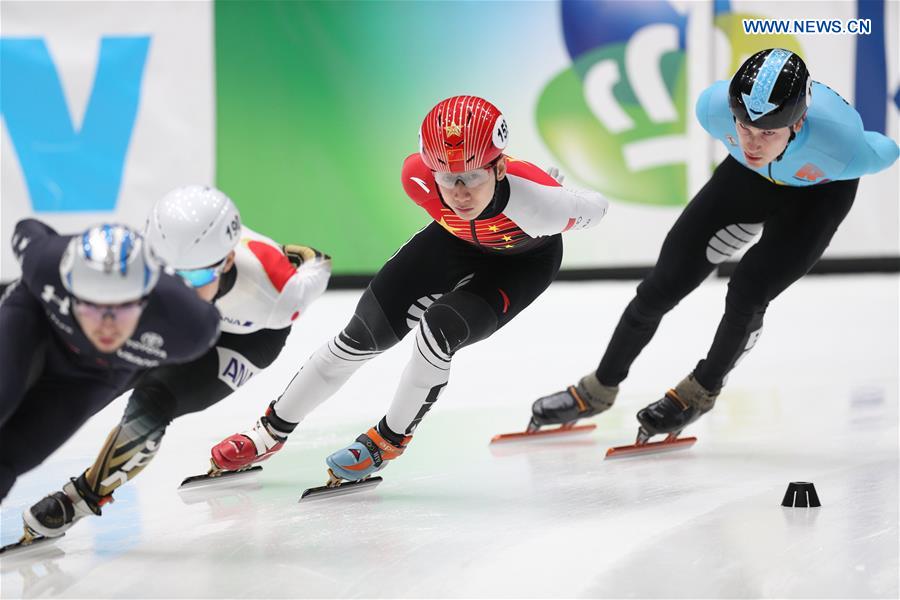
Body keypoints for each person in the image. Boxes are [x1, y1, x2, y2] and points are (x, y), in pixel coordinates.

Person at [208, 95, 609, 485]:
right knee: (360, 335)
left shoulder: (542, 207)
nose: (459, 193)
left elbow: (598, 207)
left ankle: (390, 438)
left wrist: (563, 199)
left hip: (521, 262)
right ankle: (269, 432)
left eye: (471, 176)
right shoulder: (416, 178)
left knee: (439, 331)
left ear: (500, 167)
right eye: (447, 179)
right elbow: (450, 194)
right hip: (454, 243)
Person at [529, 48, 899, 444]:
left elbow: (887, 148)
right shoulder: (713, 108)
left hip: (819, 195)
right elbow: (749, 144)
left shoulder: (843, 146)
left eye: (768, 132)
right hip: (746, 181)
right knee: (661, 285)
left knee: (748, 290)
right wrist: (754, 144)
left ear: (799, 122)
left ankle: (701, 390)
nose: (753, 142)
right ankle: (598, 389)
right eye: (743, 128)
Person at [18, 185, 331, 541]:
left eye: (194, 277)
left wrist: (300, 257)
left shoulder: (279, 291)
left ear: (228, 261)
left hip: (246, 339)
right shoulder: (144, 256)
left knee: (153, 400)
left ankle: (80, 499)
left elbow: (319, 265)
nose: (181, 288)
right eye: (168, 272)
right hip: (174, 321)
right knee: (92, 381)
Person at [0, 219, 221, 504]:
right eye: (92, 306)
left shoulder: (190, 328)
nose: (106, 326)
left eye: (122, 308)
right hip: (35, 324)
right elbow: (26, 227)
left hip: (94, 374)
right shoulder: (44, 261)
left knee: (11, 459)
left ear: (146, 300)